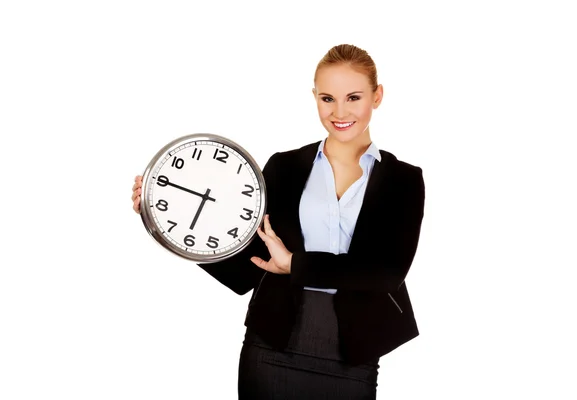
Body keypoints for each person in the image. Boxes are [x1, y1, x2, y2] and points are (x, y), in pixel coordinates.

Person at [131, 43, 425, 399]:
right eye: (327, 98)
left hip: (354, 355)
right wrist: (166, 219)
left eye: (354, 97)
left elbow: (385, 274)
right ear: (315, 97)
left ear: (376, 97)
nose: (340, 111)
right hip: (271, 347)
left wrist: (295, 264)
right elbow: (247, 269)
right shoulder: (284, 167)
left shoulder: (403, 179)